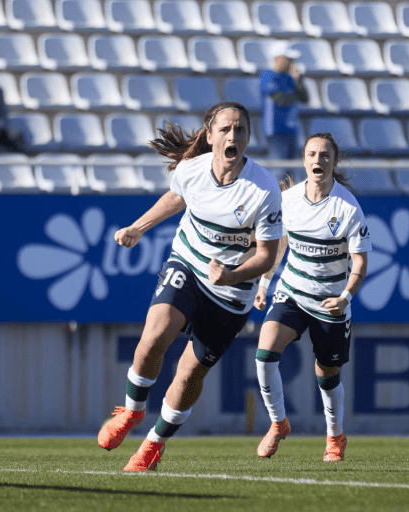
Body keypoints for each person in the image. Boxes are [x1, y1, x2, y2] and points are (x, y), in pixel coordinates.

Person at [97, 102, 283, 472]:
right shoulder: (192, 170)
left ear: (248, 138)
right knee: (153, 337)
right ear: (210, 135)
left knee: (188, 373)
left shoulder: (263, 190)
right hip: (188, 263)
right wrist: (138, 227)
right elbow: (178, 197)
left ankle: (153, 444)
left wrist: (230, 275)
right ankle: (132, 412)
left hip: (231, 292)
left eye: (241, 130)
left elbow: (267, 256)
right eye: (226, 129)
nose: (233, 136)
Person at [253, 133, 371, 462]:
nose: (317, 160)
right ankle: (278, 424)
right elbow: (278, 247)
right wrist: (264, 284)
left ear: (334, 162)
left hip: (330, 302)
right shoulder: (288, 200)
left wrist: (345, 297)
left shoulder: (347, 207)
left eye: (324, 155)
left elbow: (360, 261)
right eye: (311, 154)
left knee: (327, 375)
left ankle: (335, 436)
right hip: (291, 294)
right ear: (304, 160)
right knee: (264, 355)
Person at [260, 50, 309, 165]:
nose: (292, 63)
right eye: (289, 60)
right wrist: (297, 93)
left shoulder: (290, 78)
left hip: (292, 130)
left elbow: (304, 98)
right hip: (275, 130)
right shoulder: (267, 76)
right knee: (279, 169)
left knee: (290, 171)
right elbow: (282, 100)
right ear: (278, 58)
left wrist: (299, 80)